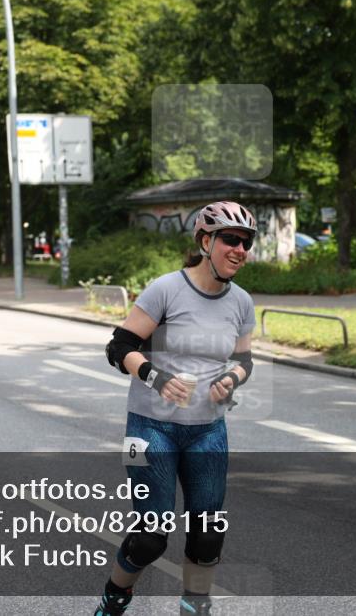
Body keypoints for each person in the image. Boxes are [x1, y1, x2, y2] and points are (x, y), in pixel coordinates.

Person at [97, 201, 258, 616]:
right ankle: (114, 601)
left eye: (246, 242)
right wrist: (157, 378)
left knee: (207, 535)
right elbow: (119, 347)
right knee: (151, 536)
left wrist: (232, 379)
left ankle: (194, 608)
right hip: (149, 428)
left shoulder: (240, 302)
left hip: (208, 429)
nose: (240, 249)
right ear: (206, 241)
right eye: (230, 240)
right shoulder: (166, 289)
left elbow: (244, 361)